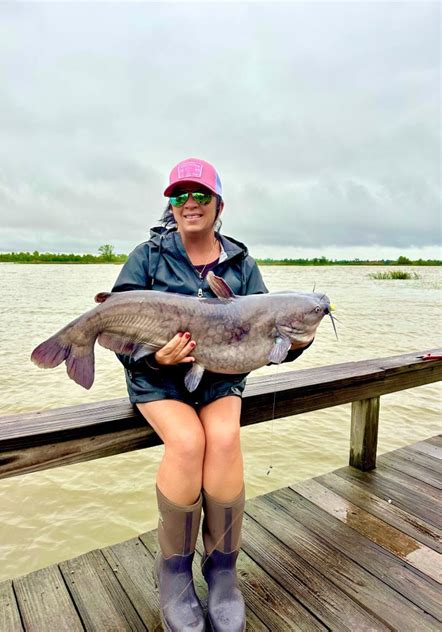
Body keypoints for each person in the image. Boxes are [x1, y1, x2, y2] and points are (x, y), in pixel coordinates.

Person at [111, 158, 311, 632]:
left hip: (219, 380)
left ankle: (222, 573)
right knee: (187, 443)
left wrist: (297, 342)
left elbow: (271, 340)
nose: (190, 203)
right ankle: (175, 577)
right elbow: (118, 328)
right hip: (158, 381)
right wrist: (154, 359)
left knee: (223, 438)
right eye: (179, 196)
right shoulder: (148, 257)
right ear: (171, 205)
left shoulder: (242, 263)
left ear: (219, 203)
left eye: (200, 194)